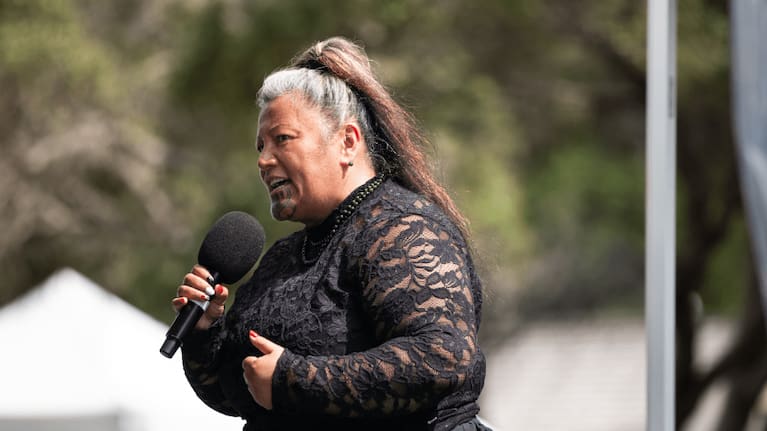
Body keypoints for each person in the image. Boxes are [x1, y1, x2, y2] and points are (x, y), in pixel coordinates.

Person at [173, 36, 490, 431]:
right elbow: (234, 394)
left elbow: (441, 358)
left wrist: (293, 380)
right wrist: (205, 332)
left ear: (347, 142)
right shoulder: (283, 258)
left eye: (282, 139)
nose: (263, 160)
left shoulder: (403, 228)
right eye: (260, 146)